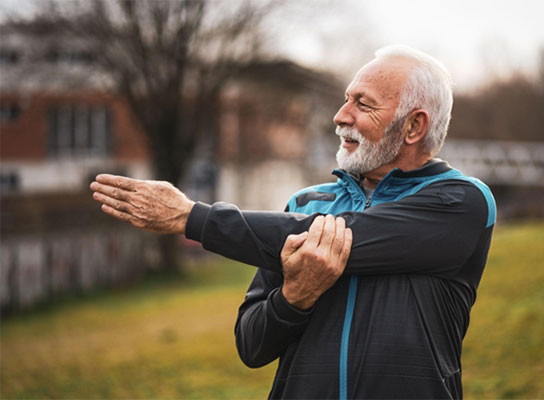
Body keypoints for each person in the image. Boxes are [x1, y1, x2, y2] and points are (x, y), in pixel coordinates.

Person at [90, 45, 496, 399]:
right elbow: (251, 346)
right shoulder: (304, 203)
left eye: (363, 104)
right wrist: (294, 300)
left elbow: (345, 236)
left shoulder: (461, 202)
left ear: (414, 126)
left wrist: (190, 217)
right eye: (345, 99)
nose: (341, 116)